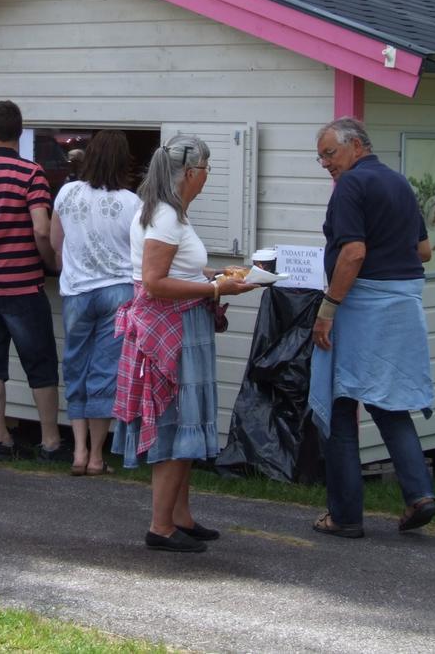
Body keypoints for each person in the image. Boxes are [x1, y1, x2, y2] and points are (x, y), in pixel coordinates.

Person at [111, 135, 254, 553]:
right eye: (207, 170)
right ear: (192, 173)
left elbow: (179, 268)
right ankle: (160, 526)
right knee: (175, 424)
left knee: (185, 423)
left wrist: (215, 274)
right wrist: (214, 291)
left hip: (181, 325)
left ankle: (180, 516)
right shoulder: (166, 218)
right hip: (171, 332)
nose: (208, 178)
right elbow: (154, 283)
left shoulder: (169, 213)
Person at [308, 117, 435, 539]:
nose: (326, 164)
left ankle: (345, 516)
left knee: (340, 404)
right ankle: (419, 494)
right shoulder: (399, 182)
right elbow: (423, 250)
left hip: (362, 305)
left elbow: (353, 254)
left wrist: (327, 309)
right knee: (388, 403)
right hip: (403, 305)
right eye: (321, 157)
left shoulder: (350, 186)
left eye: (330, 153)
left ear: (357, 146)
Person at [0, 100, 65, 462]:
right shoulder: (31, 174)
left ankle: (1, 436)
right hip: (22, 284)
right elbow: (40, 226)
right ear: (19, 133)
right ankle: (51, 441)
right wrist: (50, 258)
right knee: (39, 362)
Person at [50, 130, 139, 476]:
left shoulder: (67, 194)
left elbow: (56, 243)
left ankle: (78, 450)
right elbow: (141, 254)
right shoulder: (133, 203)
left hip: (76, 291)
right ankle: (98, 457)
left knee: (75, 366)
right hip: (118, 292)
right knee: (105, 372)